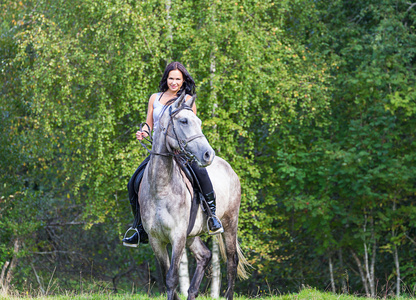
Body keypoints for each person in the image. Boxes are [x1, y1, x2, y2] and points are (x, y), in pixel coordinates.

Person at [122, 62, 223, 247]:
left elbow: (192, 126)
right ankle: (139, 227)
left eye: (178, 79)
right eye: (171, 78)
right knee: (133, 181)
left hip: (181, 152)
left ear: (183, 80)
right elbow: (149, 123)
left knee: (201, 174)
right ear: (166, 79)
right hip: (159, 151)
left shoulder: (188, 101)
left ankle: (212, 216)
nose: (174, 82)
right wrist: (143, 132)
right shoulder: (155, 98)